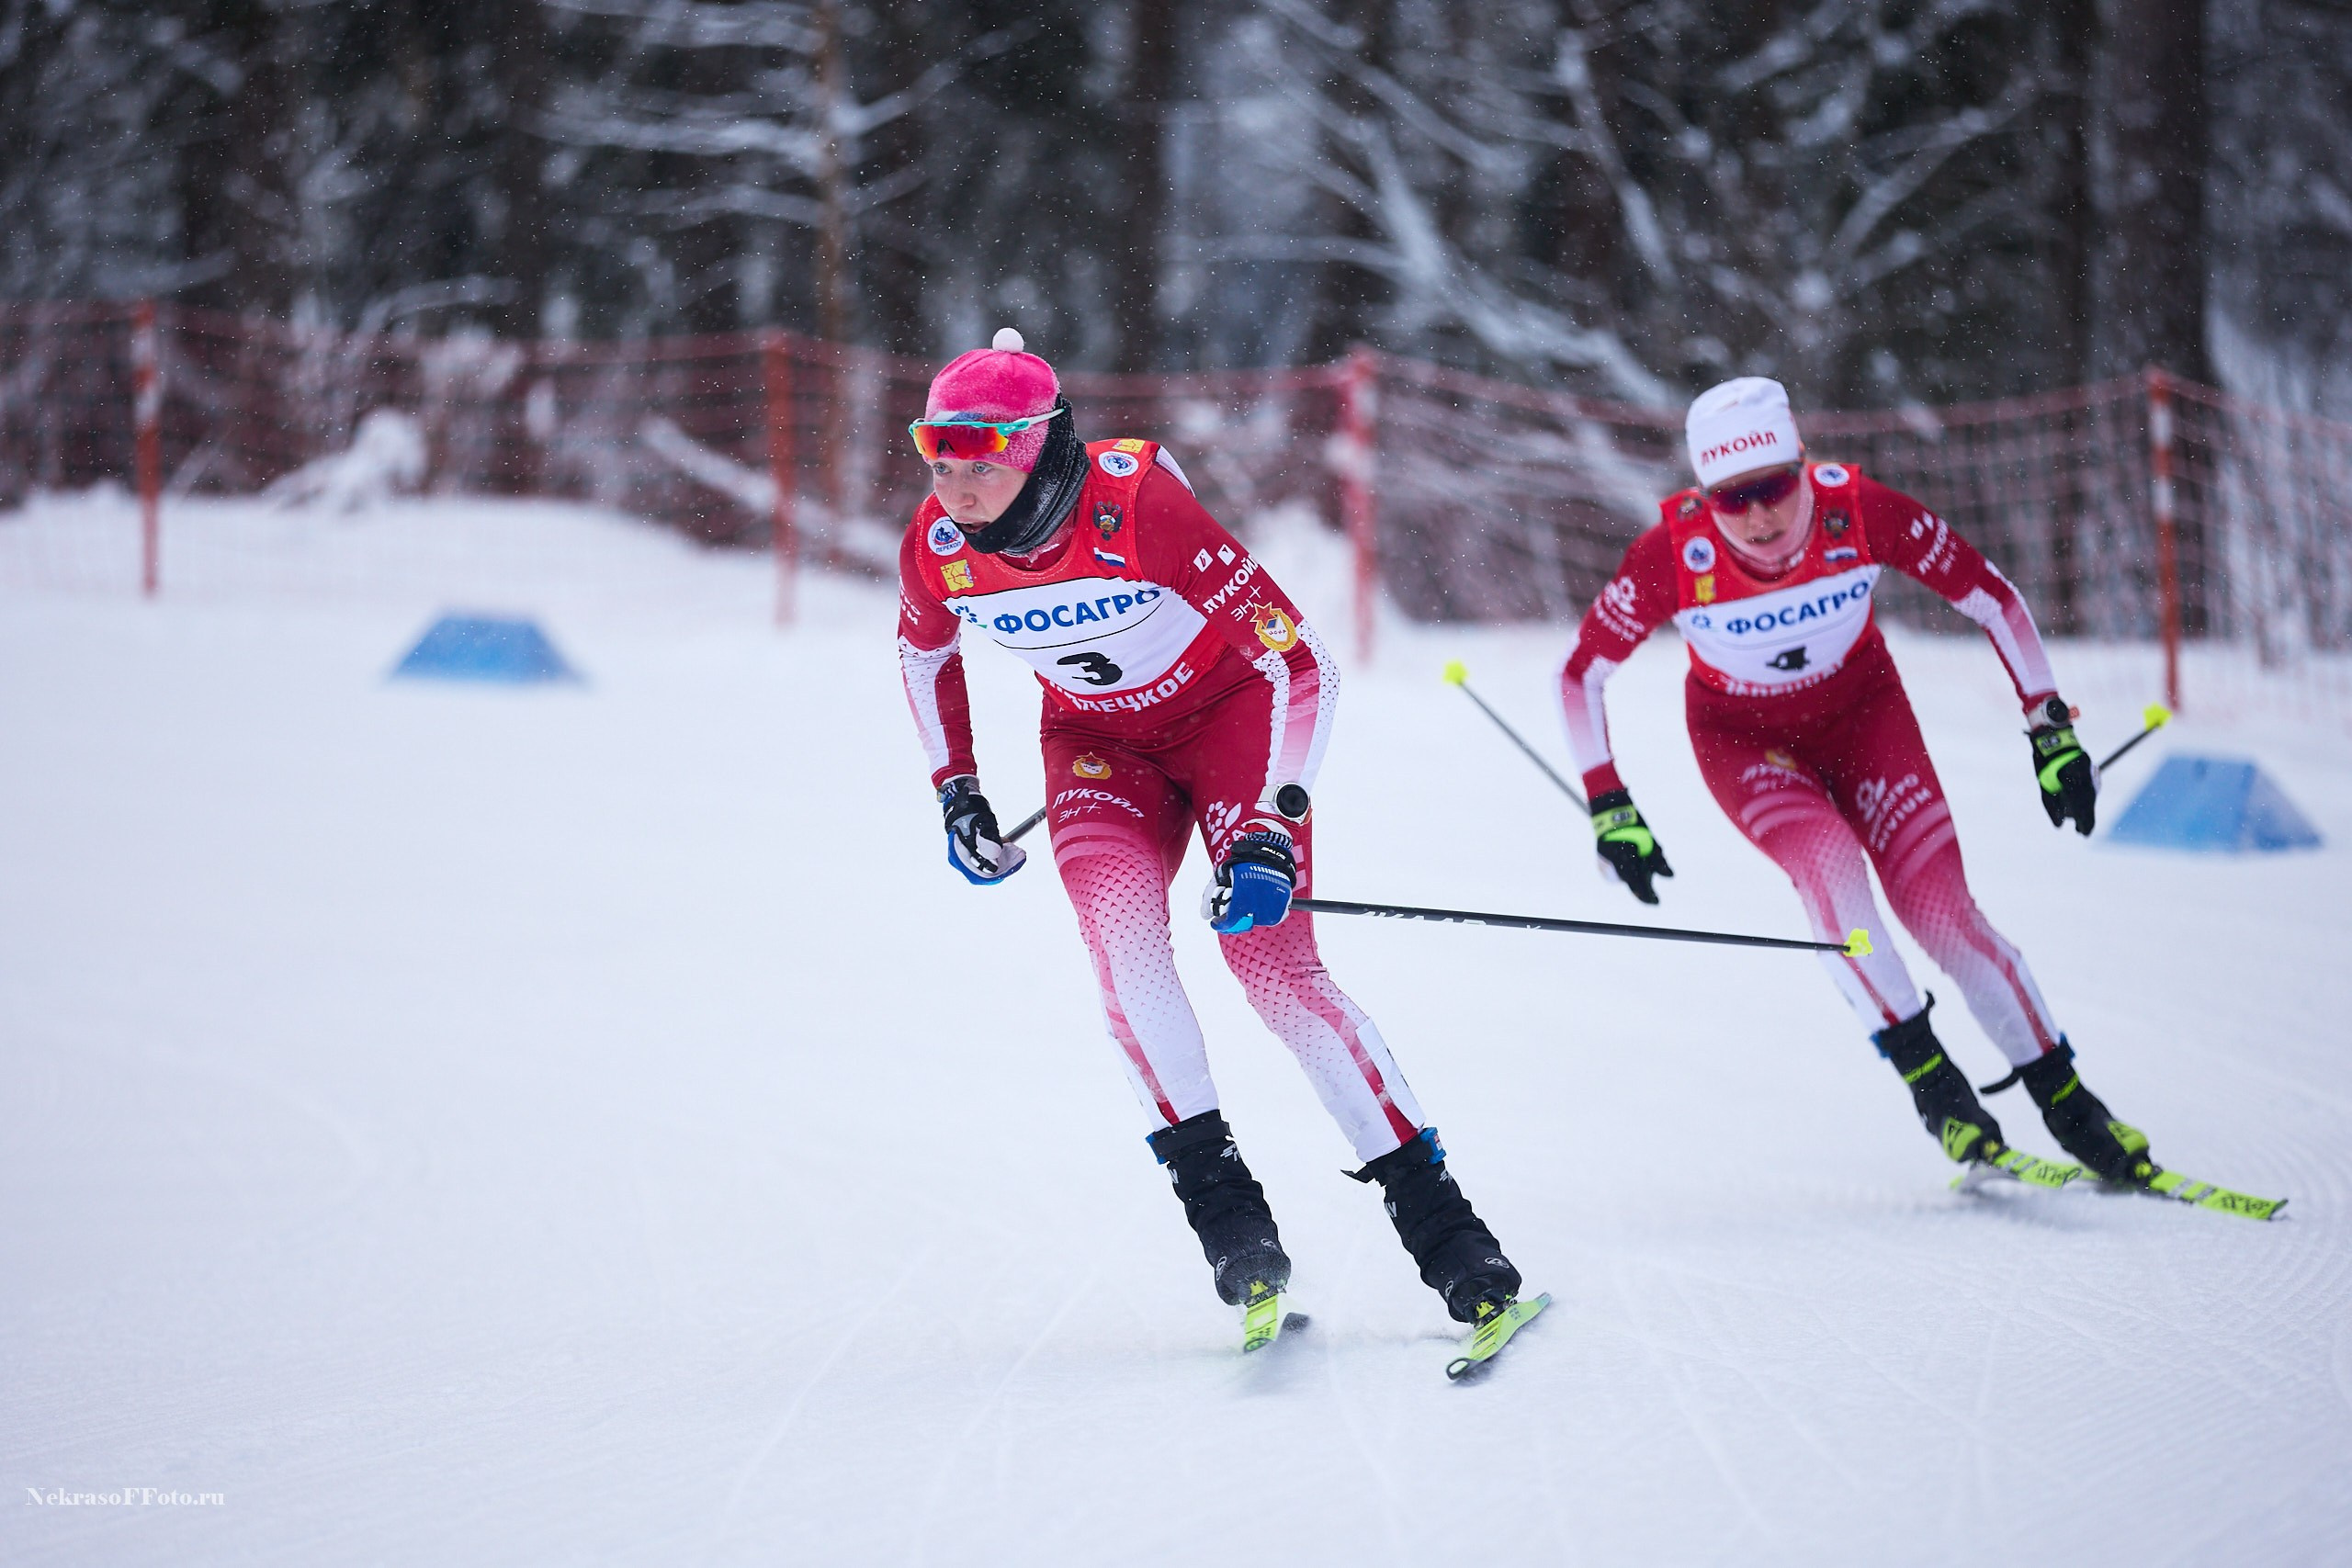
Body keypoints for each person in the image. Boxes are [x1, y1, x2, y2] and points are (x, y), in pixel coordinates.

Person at [897, 329, 1525, 1330]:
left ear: (1041, 446)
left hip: (1232, 724)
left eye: (983, 457)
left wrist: (1272, 827)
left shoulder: (1139, 507)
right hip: (1100, 752)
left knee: (1271, 970)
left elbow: (1300, 662)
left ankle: (1445, 1229)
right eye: (937, 452)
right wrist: (955, 789)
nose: (955, 483)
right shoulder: (937, 548)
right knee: (1130, 968)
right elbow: (924, 657)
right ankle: (1231, 1226)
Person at [1555, 376, 2156, 1187]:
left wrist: (2050, 729)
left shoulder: (1862, 510)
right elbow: (1580, 675)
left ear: (1805, 465)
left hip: (1865, 718)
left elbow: (1997, 601)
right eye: (1734, 499)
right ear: (1705, 498)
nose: (1762, 516)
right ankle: (1935, 1086)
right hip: (1745, 742)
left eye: (1775, 487)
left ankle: (2072, 1105)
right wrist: (1609, 803)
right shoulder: (1672, 554)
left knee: (1942, 912)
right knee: (1832, 868)